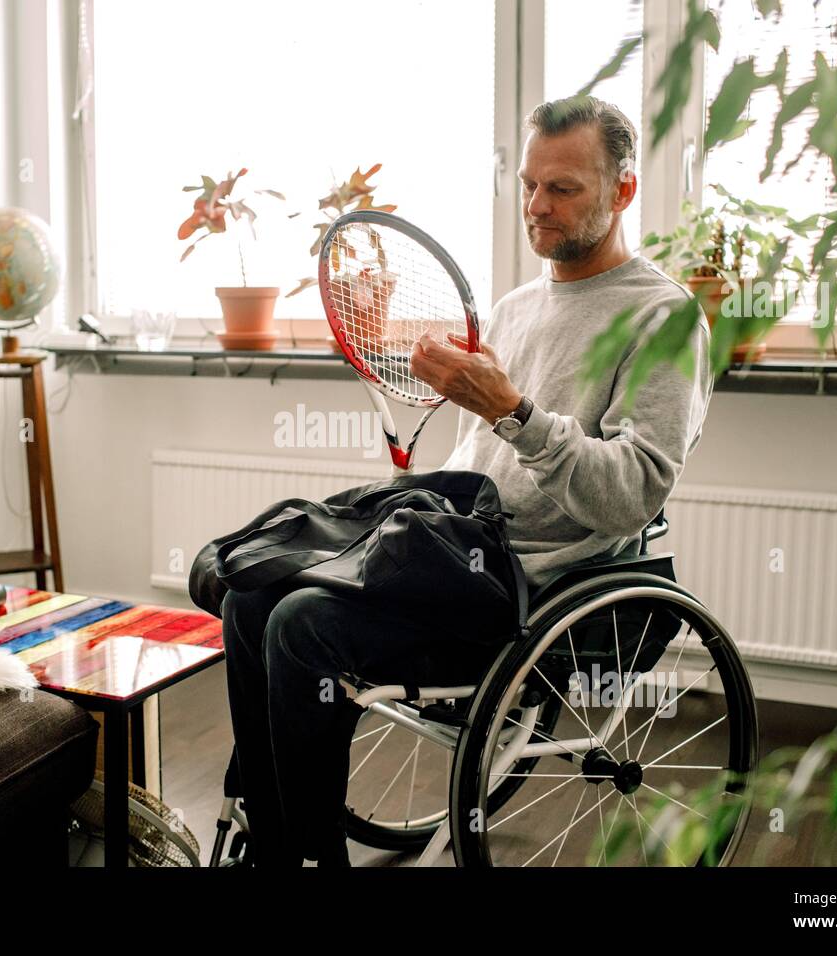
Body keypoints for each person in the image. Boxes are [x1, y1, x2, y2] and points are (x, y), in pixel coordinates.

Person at [222, 95, 712, 867]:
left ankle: (305, 860)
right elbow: (483, 477)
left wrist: (515, 412)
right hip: (457, 561)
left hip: (532, 596)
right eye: (527, 185)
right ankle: (279, 838)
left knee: (300, 624)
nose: (536, 207)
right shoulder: (515, 310)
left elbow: (630, 494)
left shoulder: (663, 320)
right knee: (251, 587)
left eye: (563, 189)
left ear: (622, 192)